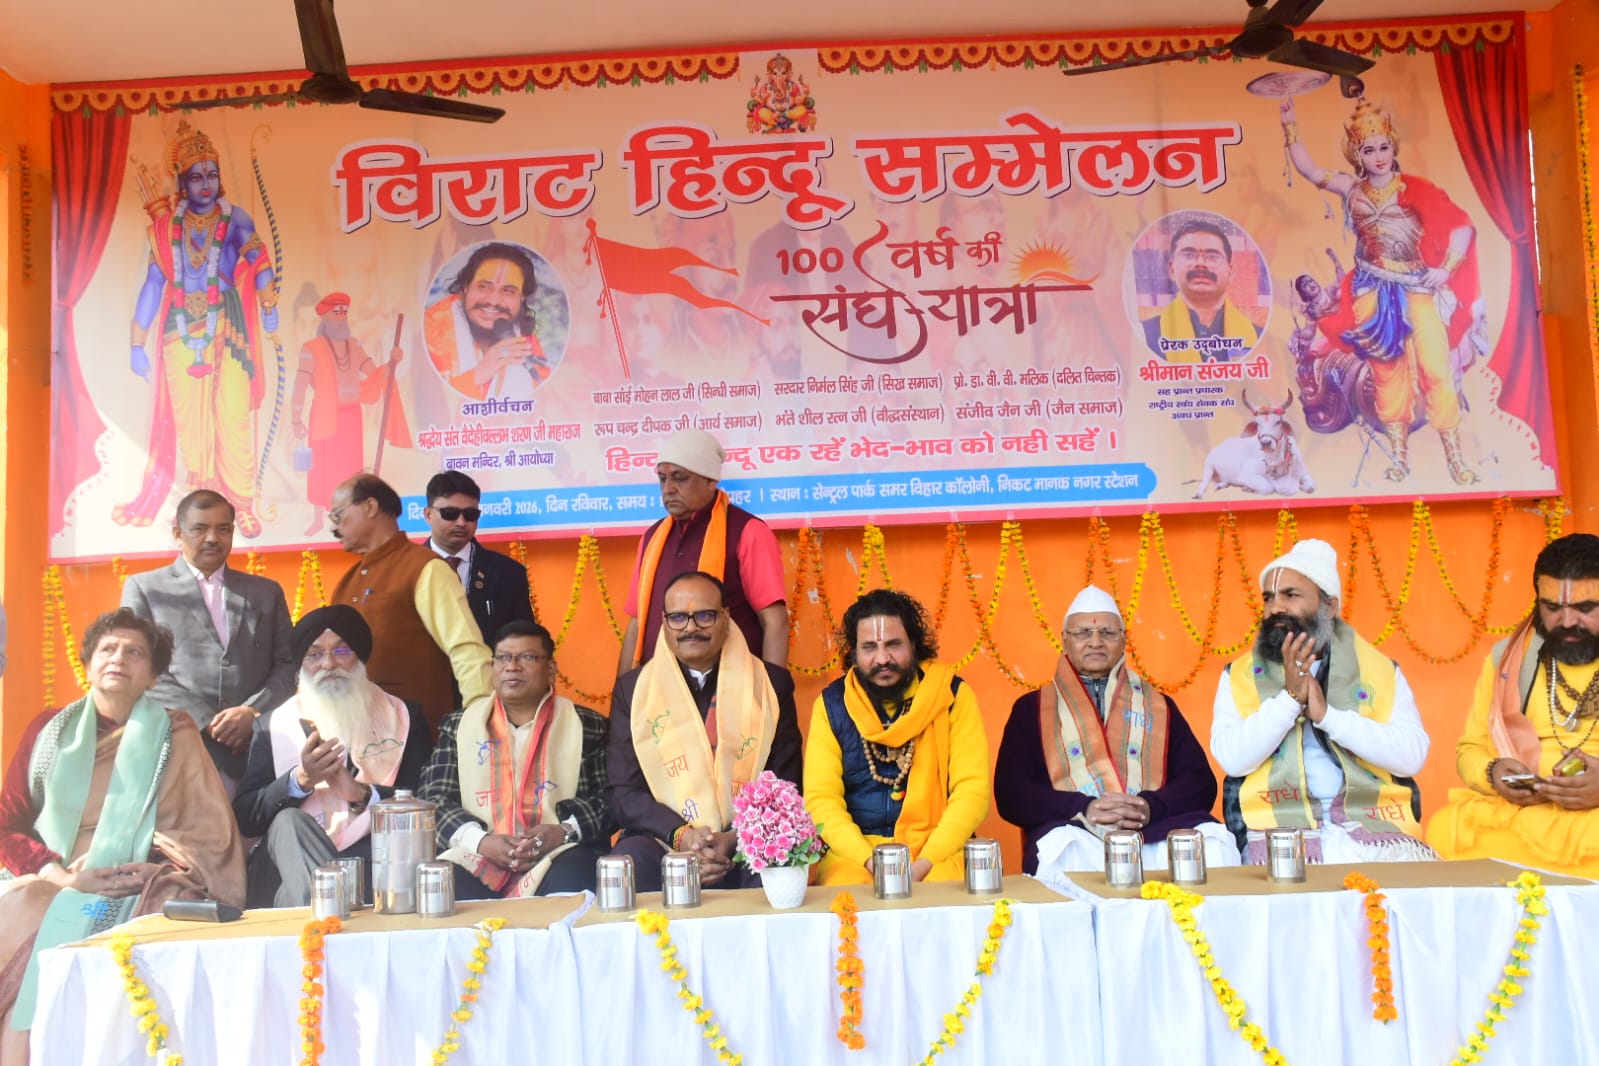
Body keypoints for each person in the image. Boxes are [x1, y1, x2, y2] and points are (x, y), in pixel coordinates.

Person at [0, 609, 244, 1056]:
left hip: (132, 884)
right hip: (50, 877)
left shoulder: (176, 734)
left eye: (135, 653)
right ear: (88, 662)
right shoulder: (49, 729)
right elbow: (7, 824)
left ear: (153, 676)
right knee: (23, 919)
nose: (118, 658)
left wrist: (149, 869)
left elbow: (208, 835)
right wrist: (61, 876)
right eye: (108, 649)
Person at [1280, 93, 1481, 484]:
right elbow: (1308, 169)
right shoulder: (1351, 189)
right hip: (1371, 290)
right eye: (1369, 150)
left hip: (1415, 288)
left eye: (1383, 147)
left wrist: (1446, 270)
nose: (1378, 157)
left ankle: (1454, 455)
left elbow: (1461, 226)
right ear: (1357, 155)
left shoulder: (1415, 188)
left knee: (1436, 368)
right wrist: (1289, 123)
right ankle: (1399, 457)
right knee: (1387, 373)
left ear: (1393, 146)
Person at [1211, 539, 1434, 863]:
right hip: (1277, 833)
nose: (1275, 608)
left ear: (1329, 607)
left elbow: (1411, 757)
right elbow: (1232, 759)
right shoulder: (1239, 675)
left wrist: (1329, 717)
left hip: (1373, 830)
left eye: (1291, 595)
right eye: (1269, 597)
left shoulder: (1379, 671)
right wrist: (1289, 701)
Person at [995, 585, 1238, 877]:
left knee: (1213, 841)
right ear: (1064, 641)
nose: (1095, 641)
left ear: (1124, 641)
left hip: (1154, 831)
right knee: (1062, 848)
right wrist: (1083, 808)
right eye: (1083, 633)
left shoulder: (1158, 706)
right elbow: (1011, 793)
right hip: (1079, 831)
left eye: (1108, 633)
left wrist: (1150, 806)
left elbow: (1199, 782)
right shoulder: (1033, 709)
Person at [116, 120, 279, 536]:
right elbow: (153, 285)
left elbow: (259, 260)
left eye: (212, 174)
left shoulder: (235, 218)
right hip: (179, 329)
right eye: (196, 177)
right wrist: (136, 342)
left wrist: (269, 303)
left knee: (233, 412)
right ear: (181, 182)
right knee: (192, 425)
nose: (206, 184)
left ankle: (241, 503)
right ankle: (201, 508)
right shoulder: (166, 229)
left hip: (228, 321)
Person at [606, 571, 803, 892]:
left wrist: (734, 838)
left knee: (778, 864)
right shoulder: (634, 690)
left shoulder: (770, 685)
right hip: (663, 837)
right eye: (678, 618)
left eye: (705, 616)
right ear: (664, 622)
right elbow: (622, 791)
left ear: (726, 617)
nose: (690, 628)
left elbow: (785, 783)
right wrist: (683, 837)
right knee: (629, 860)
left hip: (747, 836)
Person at [233, 606, 432, 907]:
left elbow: (428, 803)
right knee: (289, 822)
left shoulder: (403, 716)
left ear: (359, 657)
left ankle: (324, 919)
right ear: (301, 664)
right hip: (288, 861)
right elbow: (247, 817)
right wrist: (300, 780)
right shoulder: (272, 725)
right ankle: (332, 909)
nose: (328, 664)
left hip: (373, 862)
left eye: (341, 651)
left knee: (294, 895)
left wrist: (361, 793)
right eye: (314, 654)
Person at [1427, 534, 1599, 876]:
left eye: (1585, 609)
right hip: (1526, 813)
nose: (1567, 622)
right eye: (1552, 608)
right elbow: (1470, 748)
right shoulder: (1509, 660)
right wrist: (1493, 774)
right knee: (1445, 828)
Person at [804, 589, 991, 885]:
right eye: (869, 647)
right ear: (854, 653)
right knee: (846, 893)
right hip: (856, 856)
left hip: (936, 851)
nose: (883, 659)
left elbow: (972, 791)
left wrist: (926, 862)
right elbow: (821, 800)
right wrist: (870, 861)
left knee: (944, 890)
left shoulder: (950, 696)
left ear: (913, 645)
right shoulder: (832, 705)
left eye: (893, 644)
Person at [420, 622, 611, 898]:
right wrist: (482, 841)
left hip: (558, 853)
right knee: (441, 883)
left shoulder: (587, 725)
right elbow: (433, 799)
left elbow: (610, 799)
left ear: (550, 670)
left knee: (577, 872)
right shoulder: (460, 726)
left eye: (527, 657)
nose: (512, 666)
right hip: (478, 853)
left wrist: (563, 832)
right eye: (503, 658)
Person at [120, 490, 296, 785]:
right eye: (200, 529)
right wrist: (207, 721)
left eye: (223, 529)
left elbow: (288, 665)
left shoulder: (266, 592)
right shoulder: (146, 589)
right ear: (178, 534)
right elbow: (139, 666)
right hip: (178, 748)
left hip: (255, 751)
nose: (213, 538)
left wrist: (251, 712)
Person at [328, 474, 492, 730]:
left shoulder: (425, 568)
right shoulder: (346, 583)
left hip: (415, 737)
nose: (335, 528)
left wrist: (479, 725)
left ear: (370, 506)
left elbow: (466, 651)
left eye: (338, 515)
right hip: (356, 735)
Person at [618, 428, 788, 671]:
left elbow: (774, 621)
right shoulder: (651, 538)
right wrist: (623, 691)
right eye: (663, 479)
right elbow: (637, 623)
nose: (668, 489)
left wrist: (773, 688)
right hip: (657, 684)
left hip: (730, 683)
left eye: (680, 478)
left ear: (710, 481)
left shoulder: (747, 531)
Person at [290, 292, 410, 536]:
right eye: (336, 312)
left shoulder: (354, 345)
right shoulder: (311, 349)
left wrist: (391, 363)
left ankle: (349, 519)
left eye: (344, 312)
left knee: (350, 470)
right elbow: (300, 384)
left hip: (351, 417)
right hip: (324, 417)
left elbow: (374, 372)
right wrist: (296, 419)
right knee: (322, 470)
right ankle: (318, 519)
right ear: (325, 317)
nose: (342, 316)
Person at [423, 242, 549, 401]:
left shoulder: (519, 335)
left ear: (522, 297)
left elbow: (543, 393)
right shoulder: (431, 331)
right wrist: (478, 374)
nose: (494, 301)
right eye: (483, 287)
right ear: (466, 287)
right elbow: (425, 403)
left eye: (508, 291)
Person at [421, 470, 535, 644]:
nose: (461, 522)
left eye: (470, 515)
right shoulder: (405, 569)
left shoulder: (509, 573)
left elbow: (523, 642)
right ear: (428, 515)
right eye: (450, 513)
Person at [1141, 218, 1260, 363]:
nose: (1200, 263)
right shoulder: (1145, 336)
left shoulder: (1258, 337)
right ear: (1172, 269)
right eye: (1189, 255)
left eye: (1212, 257)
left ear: (1230, 271)